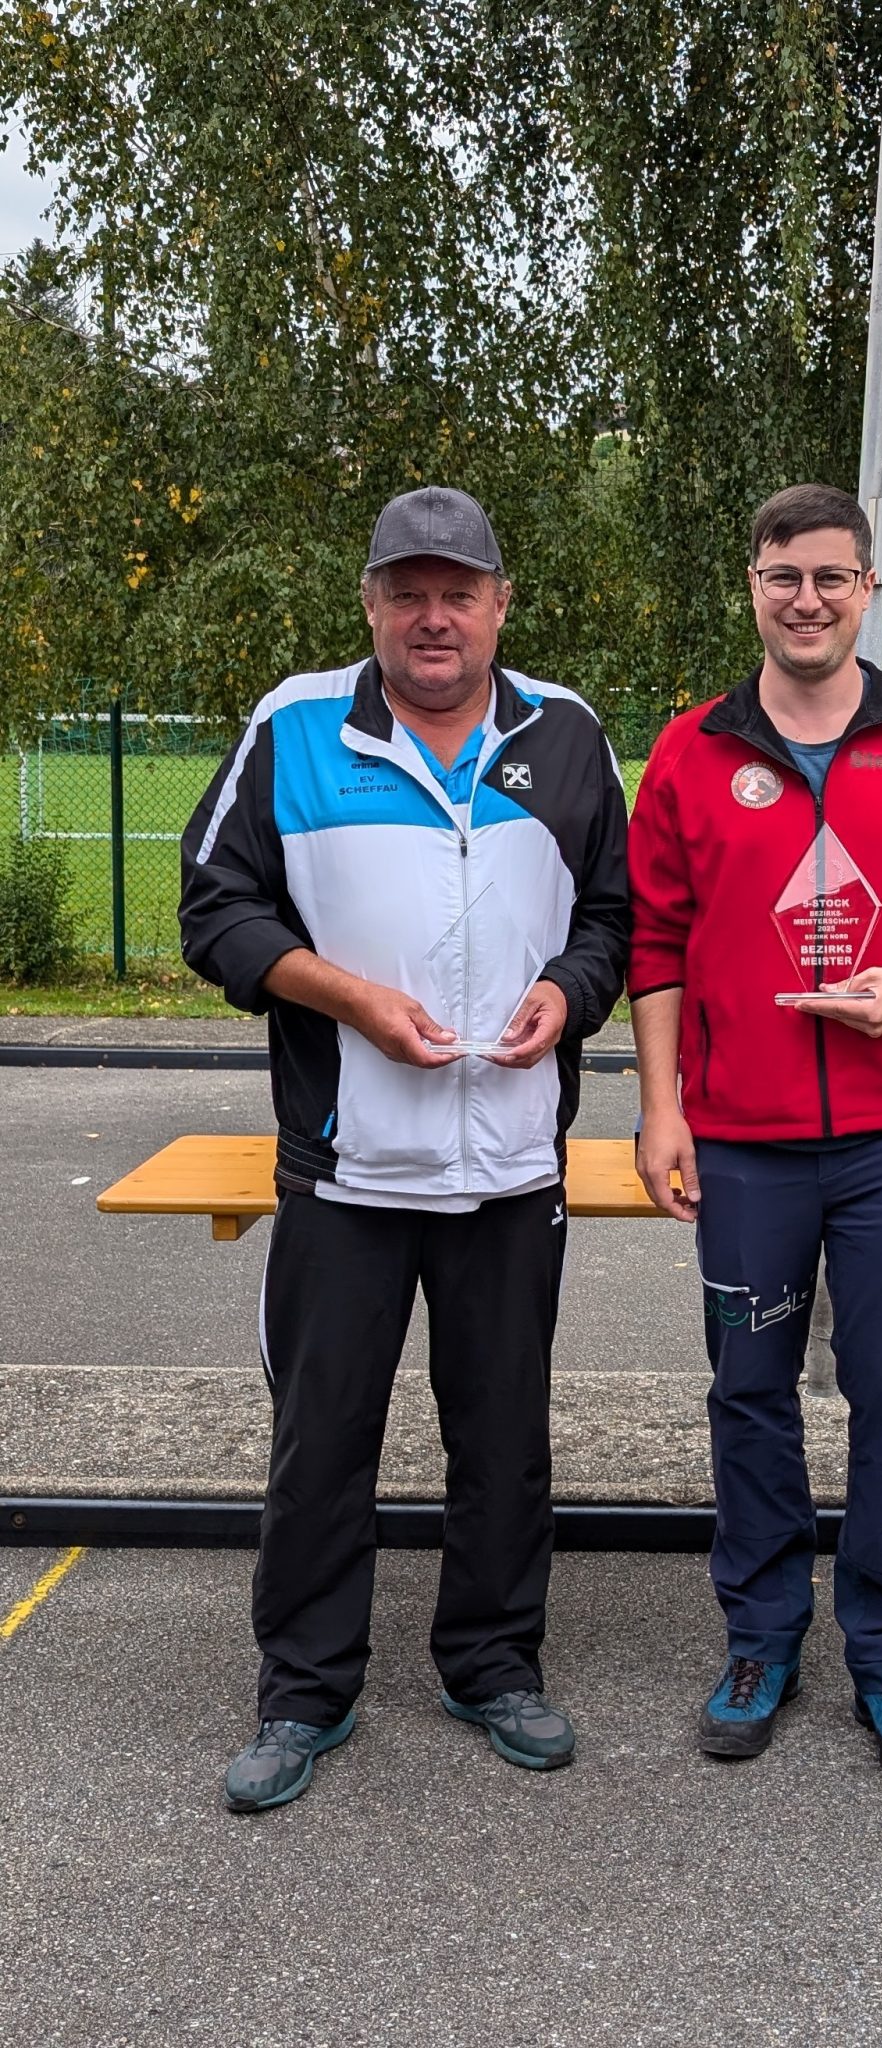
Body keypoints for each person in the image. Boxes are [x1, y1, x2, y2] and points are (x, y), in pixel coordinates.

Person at [181, 486, 629, 1811]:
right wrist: (349, 999)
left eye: (458, 593)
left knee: (503, 1438)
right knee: (322, 1440)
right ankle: (303, 1691)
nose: (434, 618)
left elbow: (614, 918)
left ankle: (491, 1664)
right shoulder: (294, 724)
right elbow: (215, 910)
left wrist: (568, 993)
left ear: (500, 604)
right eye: (408, 592)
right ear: (370, 603)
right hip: (348, 1164)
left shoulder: (566, 734)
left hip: (511, 1167)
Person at [627, 483, 882, 1787]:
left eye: (830, 577)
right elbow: (654, 937)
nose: (806, 599)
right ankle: (759, 1638)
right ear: (753, 584)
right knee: (748, 1393)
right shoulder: (690, 750)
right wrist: (661, 1106)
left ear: (866, 588)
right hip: (740, 1140)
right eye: (783, 576)